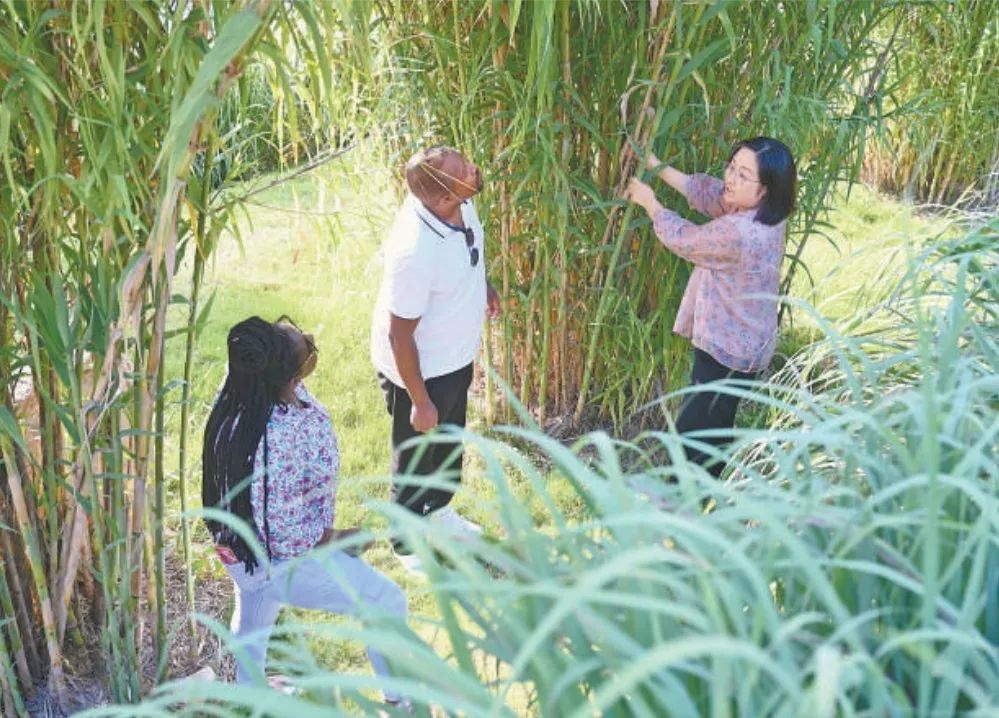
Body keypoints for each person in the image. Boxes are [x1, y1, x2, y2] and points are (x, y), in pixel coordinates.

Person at [202, 315, 408, 706]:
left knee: (255, 611)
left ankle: (250, 692)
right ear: (284, 377)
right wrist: (339, 538)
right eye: (306, 354)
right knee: (386, 602)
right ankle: (399, 703)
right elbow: (290, 535)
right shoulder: (282, 435)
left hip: (240, 550)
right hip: (280, 560)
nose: (310, 339)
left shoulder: (241, 395)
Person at [624, 137, 797, 478]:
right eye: (732, 166)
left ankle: (678, 499)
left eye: (743, 175)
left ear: (765, 190)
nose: (731, 178)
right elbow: (707, 193)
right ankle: (709, 491)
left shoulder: (740, 232)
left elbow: (684, 239)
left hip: (727, 348)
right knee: (716, 423)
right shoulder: (764, 213)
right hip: (746, 341)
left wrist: (650, 202)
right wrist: (654, 163)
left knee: (695, 427)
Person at [370, 145, 501, 574]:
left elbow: (467, 250)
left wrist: (484, 286)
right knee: (414, 454)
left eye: (467, 160)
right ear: (443, 196)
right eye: (465, 169)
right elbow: (399, 335)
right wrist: (420, 400)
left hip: (455, 357)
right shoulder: (414, 251)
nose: (474, 168)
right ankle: (406, 542)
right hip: (419, 370)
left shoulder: (460, 202)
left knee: (447, 442)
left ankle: (440, 512)